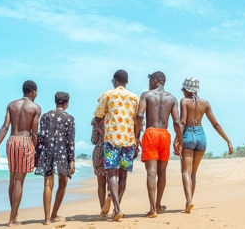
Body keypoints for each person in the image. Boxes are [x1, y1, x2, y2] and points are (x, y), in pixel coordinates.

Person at [177, 77, 233, 213]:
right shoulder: (205, 103)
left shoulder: (184, 101)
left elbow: (182, 122)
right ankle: (188, 202)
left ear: (187, 89)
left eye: (183, 89)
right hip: (201, 136)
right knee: (193, 173)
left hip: (188, 135)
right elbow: (216, 124)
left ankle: (189, 201)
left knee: (185, 172)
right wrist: (228, 140)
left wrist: (177, 140)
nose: (182, 91)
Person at [0, 80, 41, 227]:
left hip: (11, 141)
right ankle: (12, 219)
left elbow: (5, 126)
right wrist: (36, 151)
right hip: (25, 141)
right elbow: (34, 133)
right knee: (20, 180)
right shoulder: (35, 108)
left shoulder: (11, 105)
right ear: (33, 91)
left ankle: (14, 212)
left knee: (12, 179)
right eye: (36, 92)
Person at [134, 71, 183, 218]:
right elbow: (176, 122)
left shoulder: (146, 95)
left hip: (151, 134)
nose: (149, 82)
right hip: (164, 134)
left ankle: (152, 209)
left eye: (150, 79)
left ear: (157, 80)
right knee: (162, 173)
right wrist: (179, 140)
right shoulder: (172, 98)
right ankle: (158, 204)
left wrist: (136, 136)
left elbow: (139, 115)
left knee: (151, 172)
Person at [93, 69, 139, 221]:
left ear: (115, 80)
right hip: (129, 139)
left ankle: (117, 209)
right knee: (123, 176)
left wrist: (101, 120)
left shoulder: (107, 94)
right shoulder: (134, 98)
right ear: (126, 81)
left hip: (112, 138)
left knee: (112, 174)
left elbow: (98, 115)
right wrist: (136, 139)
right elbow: (137, 119)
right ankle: (116, 208)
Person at [35, 91, 75, 225]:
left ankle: (46, 219)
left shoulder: (45, 116)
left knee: (47, 184)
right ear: (67, 103)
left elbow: (40, 138)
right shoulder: (69, 118)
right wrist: (72, 160)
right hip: (62, 153)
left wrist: (37, 155)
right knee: (62, 184)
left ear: (55, 101)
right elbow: (70, 141)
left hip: (47, 151)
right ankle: (53, 215)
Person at [90, 117, 112, 217]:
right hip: (110, 150)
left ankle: (103, 209)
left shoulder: (96, 120)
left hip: (98, 151)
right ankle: (110, 196)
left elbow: (94, 140)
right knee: (112, 179)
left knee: (101, 183)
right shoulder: (113, 117)